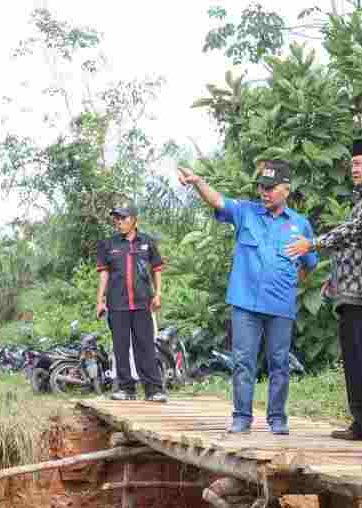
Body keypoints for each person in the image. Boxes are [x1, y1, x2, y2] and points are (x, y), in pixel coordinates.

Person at [177, 161, 318, 435]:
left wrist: (288, 285)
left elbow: (309, 265)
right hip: (245, 305)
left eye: (270, 188)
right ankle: (242, 417)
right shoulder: (246, 213)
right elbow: (218, 201)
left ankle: (277, 418)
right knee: (243, 361)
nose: (264, 193)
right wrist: (197, 182)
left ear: (286, 190)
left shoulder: (300, 225)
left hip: (280, 306)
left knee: (279, 362)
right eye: (261, 188)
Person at [284, 140, 362, 445]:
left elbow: (353, 229)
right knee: (355, 360)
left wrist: (312, 244)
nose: (353, 169)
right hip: (351, 292)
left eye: (359, 163)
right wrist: (336, 277)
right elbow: (356, 243)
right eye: (352, 164)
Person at [95, 204, 168, 403]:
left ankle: (153, 389)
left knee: (145, 345)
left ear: (134, 219)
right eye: (117, 219)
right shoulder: (108, 244)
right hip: (117, 303)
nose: (119, 222)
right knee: (120, 347)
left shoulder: (147, 242)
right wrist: (100, 300)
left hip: (142, 303)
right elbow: (104, 273)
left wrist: (158, 294)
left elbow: (157, 269)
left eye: (123, 218)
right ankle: (126, 388)